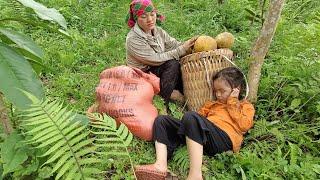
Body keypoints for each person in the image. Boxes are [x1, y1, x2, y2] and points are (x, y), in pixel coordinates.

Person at [134, 67, 255, 180]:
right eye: (215, 91)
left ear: (236, 89)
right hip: (205, 138)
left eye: (222, 91)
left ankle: (195, 175)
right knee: (162, 120)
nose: (218, 94)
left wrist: (232, 101)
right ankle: (160, 164)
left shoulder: (245, 106)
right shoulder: (211, 105)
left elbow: (244, 125)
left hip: (224, 141)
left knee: (191, 116)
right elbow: (195, 123)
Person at [125, 0, 197, 104]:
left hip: (157, 70)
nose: (150, 19)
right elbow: (155, 59)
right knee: (172, 63)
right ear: (136, 19)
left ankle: (178, 93)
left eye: (152, 14)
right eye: (144, 16)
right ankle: (163, 99)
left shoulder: (158, 31)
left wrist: (190, 45)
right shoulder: (133, 39)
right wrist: (181, 50)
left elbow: (174, 45)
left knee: (182, 66)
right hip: (143, 75)